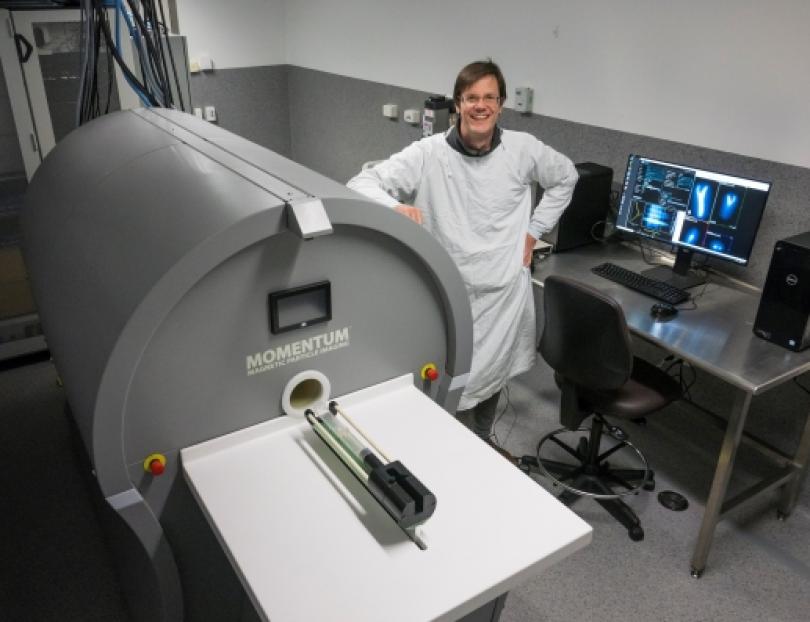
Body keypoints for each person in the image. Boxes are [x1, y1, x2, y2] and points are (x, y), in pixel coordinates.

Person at [347, 59, 577, 444]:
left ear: (501, 104)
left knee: (490, 379)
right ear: (457, 104)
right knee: (444, 382)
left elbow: (566, 176)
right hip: (448, 291)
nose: (481, 105)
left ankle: (483, 441)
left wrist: (534, 232)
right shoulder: (429, 154)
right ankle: (443, 449)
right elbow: (361, 181)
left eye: (490, 97)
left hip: (502, 292)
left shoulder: (523, 150)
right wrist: (395, 207)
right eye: (472, 97)